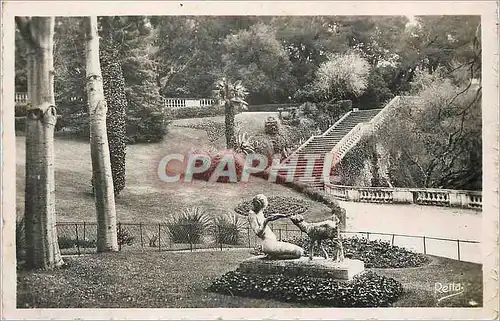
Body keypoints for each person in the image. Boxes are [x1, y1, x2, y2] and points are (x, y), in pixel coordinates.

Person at [247, 194, 304, 259]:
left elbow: (268, 218)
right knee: (299, 252)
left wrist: (280, 216)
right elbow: (258, 233)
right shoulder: (252, 214)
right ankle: (274, 257)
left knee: (299, 252)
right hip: (269, 244)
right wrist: (266, 220)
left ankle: (273, 256)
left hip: (272, 243)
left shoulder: (259, 212)